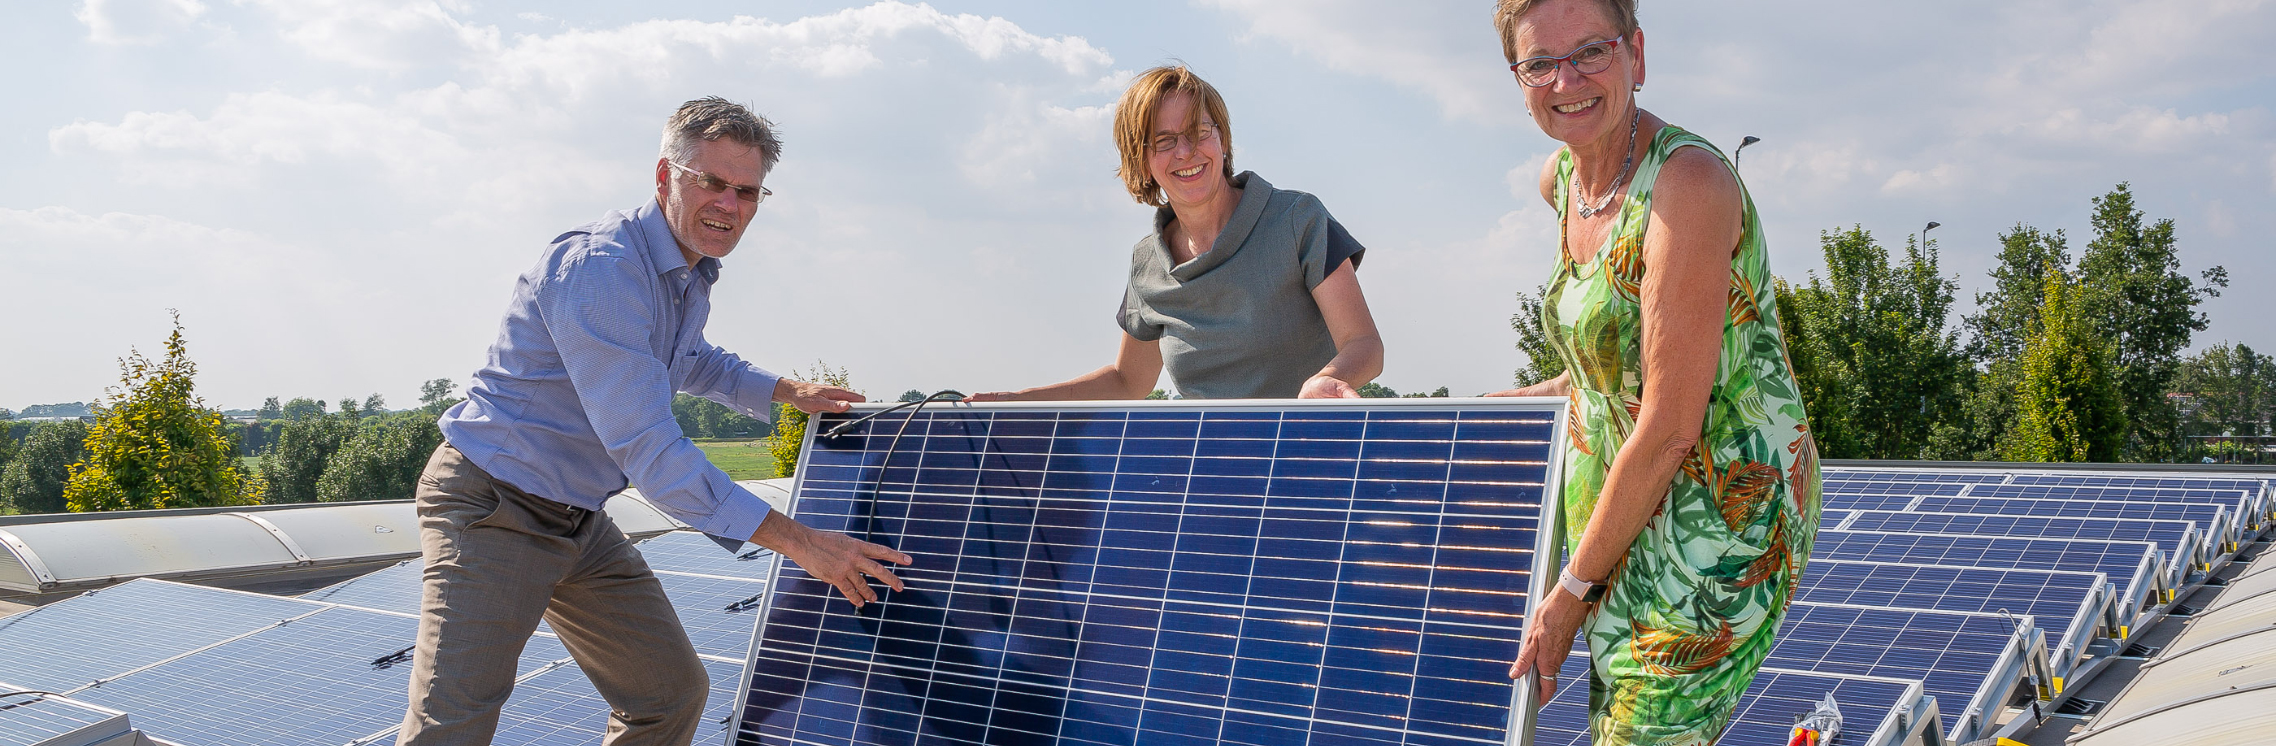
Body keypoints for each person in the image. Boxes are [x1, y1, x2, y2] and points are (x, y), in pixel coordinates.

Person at [399, 97, 913, 746]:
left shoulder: (682, 273)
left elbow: (692, 359)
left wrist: (789, 390)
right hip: (495, 508)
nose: (730, 205)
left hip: (575, 516)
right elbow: (650, 450)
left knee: (668, 696)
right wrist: (803, 543)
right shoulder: (603, 271)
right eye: (713, 183)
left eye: (748, 191)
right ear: (667, 177)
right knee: (454, 725)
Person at [1484, 1, 1820, 743]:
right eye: (1540, 62)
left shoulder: (1688, 185)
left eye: (1591, 52)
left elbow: (1670, 420)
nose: (1566, 79)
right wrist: (1501, 406)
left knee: (1640, 730)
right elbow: (1607, 372)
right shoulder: (1561, 180)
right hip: (1619, 495)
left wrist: (1572, 591)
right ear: (1518, 77)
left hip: (1719, 509)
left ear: (1636, 52)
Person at [968, 65, 1384, 401]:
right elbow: (1127, 382)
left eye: (1199, 132)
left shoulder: (1298, 218)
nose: (1186, 152)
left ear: (1221, 137)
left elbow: (1364, 343)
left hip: (1307, 459)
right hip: (1205, 475)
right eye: (1165, 141)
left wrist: (1327, 380)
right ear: (1141, 160)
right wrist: (1018, 402)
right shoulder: (1146, 262)